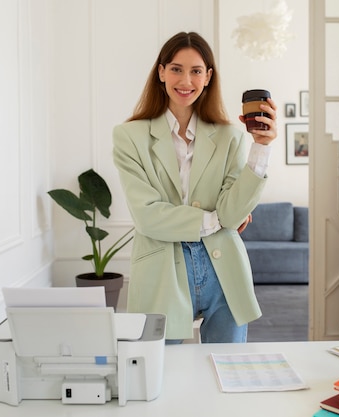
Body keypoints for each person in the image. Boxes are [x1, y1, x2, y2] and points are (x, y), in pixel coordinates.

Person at [112, 32, 277, 343]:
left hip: (224, 271)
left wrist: (261, 149)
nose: (185, 80)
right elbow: (147, 216)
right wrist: (215, 220)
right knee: (164, 377)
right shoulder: (129, 137)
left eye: (196, 71)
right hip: (162, 270)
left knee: (227, 373)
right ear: (161, 72)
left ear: (208, 77)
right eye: (176, 69)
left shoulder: (231, 136)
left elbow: (235, 210)